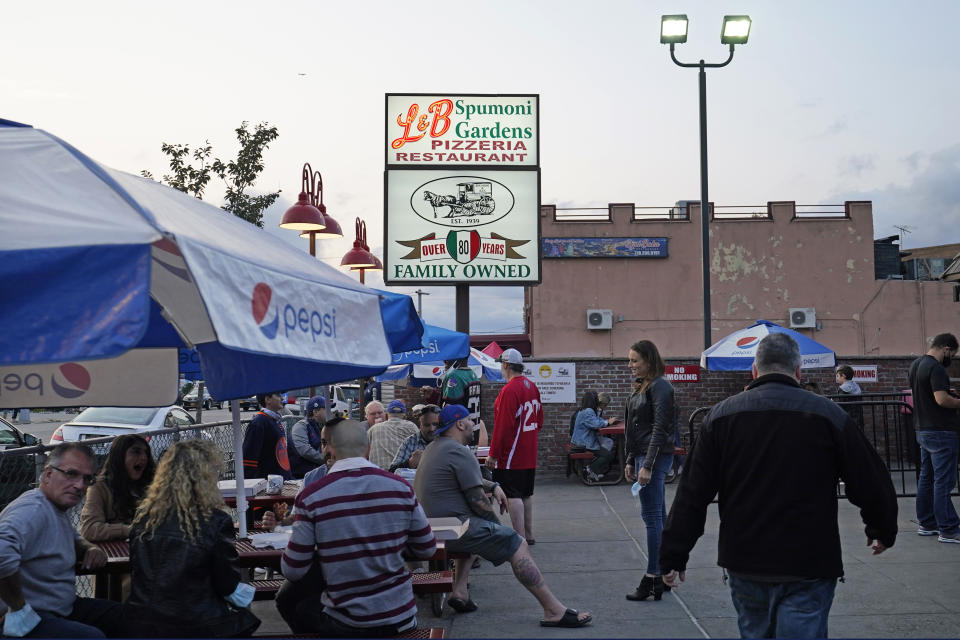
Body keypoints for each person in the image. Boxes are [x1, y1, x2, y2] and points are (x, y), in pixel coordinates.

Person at [660, 333, 898, 639]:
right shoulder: (829, 415)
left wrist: (674, 553)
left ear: (754, 372)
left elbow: (692, 493)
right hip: (809, 560)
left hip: (746, 558)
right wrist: (881, 528)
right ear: (799, 371)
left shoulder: (720, 417)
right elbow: (870, 478)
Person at [415, 404, 592, 628]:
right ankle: (553, 610)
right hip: (450, 528)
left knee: (477, 531)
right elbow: (478, 500)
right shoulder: (458, 451)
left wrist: (494, 485)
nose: (473, 425)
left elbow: (470, 480)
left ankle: (459, 592)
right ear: (460, 424)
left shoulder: (436, 447)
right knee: (516, 544)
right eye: (470, 421)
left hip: (432, 527)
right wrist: (501, 533)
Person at [279, 419, 436, 637]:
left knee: (298, 607)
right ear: (368, 448)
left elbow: (292, 570)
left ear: (330, 450)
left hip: (347, 623)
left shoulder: (311, 497)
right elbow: (427, 548)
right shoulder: (400, 488)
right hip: (400, 618)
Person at [123, 439, 260, 638]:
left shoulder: (144, 517)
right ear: (205, 477)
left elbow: (138, 573)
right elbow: (227, 584)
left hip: (143, 621)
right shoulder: (216, 522)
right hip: (197, 624)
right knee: (245, 616)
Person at [0, 443, 122, 638]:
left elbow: (75, 538)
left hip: (64, 608)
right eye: (71, 474)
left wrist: (89, 548)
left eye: (87, 479)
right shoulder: (32, 510)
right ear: (48, 474)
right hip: (29, 617)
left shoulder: (55, 508)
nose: (80, 485)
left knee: (133, 617)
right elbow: (2, 553)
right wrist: (19, 608)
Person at [623, 339, 676, 602]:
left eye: (635, 360)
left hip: (655, 456)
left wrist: (647, 464)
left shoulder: (660, 386)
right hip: (645, 455)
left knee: (652, 516)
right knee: (659, 516)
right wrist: (631, 459)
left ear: (649, 360)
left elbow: (660, 428)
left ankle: (654, 576)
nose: (630, 365)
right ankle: (663, 573)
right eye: (630, 360)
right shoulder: (642, 387)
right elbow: (634, 428)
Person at [486, 348, 542, 545]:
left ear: (506, 365)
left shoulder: (509, 390)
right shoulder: (531, 386)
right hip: (530, 449)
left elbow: (503, 426)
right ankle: (529, 533)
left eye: (501, 364)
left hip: (512, 453)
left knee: (513, 494)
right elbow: (539, 420)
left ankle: (520, 538)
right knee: (526, 492)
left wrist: (493, 454)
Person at [909, 332, 960, 543]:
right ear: (946, 349)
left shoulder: (915, 365)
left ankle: (927, 523)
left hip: (923, 429)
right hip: (941, 431)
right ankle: (948, 528)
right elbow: (941, 400)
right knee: (943, 482)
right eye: (953, 354)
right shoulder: (936, 368)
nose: (952, 359)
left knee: (926, 479)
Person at [80, 434, 155, 542]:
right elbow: (89, 529)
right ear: (120, 456)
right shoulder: (100, 487)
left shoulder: (152, 485)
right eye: (136, 452)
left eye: (146, 453)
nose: (144, 458)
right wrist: (127, 530)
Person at [241, 391, 292, 481]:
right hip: (268, 485)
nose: (282, 398)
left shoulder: (275, 420)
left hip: (282, 480)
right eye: (278, 395)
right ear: (268, 400)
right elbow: (249, 459)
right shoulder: (258, 423)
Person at [571, 390, 618, 482]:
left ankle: (593, 469)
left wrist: (605, 422)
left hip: (583, 440)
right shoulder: (588, 411)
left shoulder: (585, 410)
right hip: (584, 442)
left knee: (606, 449)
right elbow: (596, 424)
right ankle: (590, 469)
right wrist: (608, 422)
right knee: (608, 455)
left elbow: (597, 420)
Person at [366, 400, 419, 469]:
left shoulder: (373, 429)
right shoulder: (412, 427)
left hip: (379, 474)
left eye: (379, 413)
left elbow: (364, 454)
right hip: (402, 474)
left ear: (387, 414)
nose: (377, 416)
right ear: (404, 415)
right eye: (373, 414)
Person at [389, 404, 441, 472]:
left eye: (435, 424)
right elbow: (391, 471)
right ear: (420, 424)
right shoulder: (410, 442)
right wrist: (410, 463)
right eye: (427, 425)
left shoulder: (447, 440)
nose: (432, 429)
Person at [287, 396, 326, 479]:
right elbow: (305, 451)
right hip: (300, 477)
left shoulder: (322, 427)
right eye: (326, 409)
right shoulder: (301, 426)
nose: (330, 411)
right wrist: (326, 460)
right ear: (315, 412)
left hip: (314, 474)